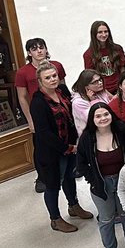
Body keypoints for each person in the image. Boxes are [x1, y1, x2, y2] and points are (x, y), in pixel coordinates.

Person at [75, 102, 125, 248]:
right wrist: (93, 180)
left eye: (106, 114)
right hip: (101, 184)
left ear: (111, 115)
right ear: (92, 119)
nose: (103, 118)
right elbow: (80, 163)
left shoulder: (123, 131)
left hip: (123, 182)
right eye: (98, 116)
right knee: (106, 219)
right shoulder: (87, 138)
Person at [31, 62, 92, 232]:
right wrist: (66, 147)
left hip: (71, 146)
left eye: (54, 76)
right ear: (40, 80)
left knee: (70, 177)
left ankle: (74, 206)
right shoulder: (38, 103)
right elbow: (43, 133)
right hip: (52, 151)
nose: (52, 80)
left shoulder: (63, 91)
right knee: (53, 184)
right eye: (47, 78)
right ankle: (55, 219)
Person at [82, 20, 125, 94]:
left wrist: (123, 87)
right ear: (94, 34)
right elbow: (91, 78)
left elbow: (123, 70)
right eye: (100, 32)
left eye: (106, 31)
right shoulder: (88, 54)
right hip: (102, 91)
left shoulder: (117, 48)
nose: (104, 34)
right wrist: (107, 95)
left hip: (120, 88)